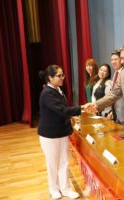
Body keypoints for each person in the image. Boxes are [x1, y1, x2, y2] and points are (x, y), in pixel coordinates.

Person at [38, 65, 82, 199]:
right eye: (59, 75)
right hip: (50, 134)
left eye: (62, 75)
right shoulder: (47, 93)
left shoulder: (58, 90)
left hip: (61, 132)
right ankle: (54, 189)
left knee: (64, 161)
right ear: (50, 78)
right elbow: (62, 110)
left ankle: (65, 188)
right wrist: (81, 108)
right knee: (52, 163)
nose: (62, 78)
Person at [107, 49, 124, 125]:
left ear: (121, 60)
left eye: (116, 59)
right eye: (112, 60)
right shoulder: (116, 73)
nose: (113, 62)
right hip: (116, 114)